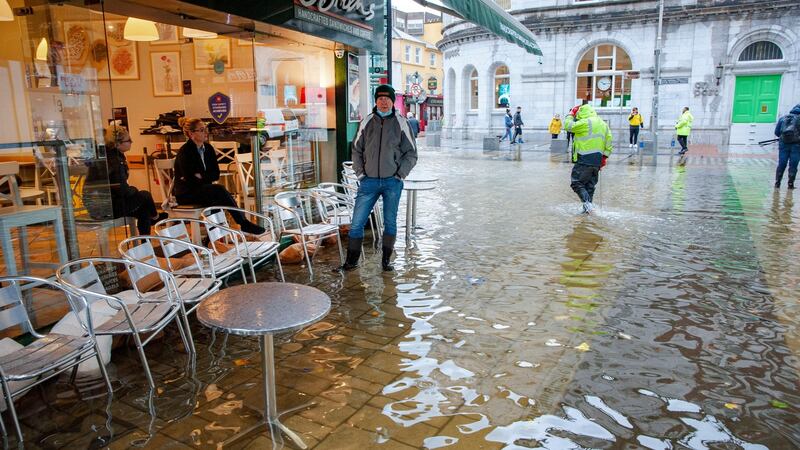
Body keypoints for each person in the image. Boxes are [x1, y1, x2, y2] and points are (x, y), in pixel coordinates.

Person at [341, 85, 418, 272]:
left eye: (387, 98)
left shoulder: (401, 123)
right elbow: (356, 150)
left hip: (392, 181)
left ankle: (386, 261)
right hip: (369, 182)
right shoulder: (366, 122)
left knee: (390, 221)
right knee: (357, 222)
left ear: (392, 101)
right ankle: (351, 262)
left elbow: (412, 154)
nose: (384, 101)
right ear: (375, 101)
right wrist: (360, 174)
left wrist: (400, 174)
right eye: (380, 98)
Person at [173, 117, 264, 235]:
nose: (205, 132)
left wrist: (201, 176)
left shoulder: (208, 149)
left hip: (203, 190)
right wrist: (202, 177)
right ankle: (241, 223)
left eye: (205, 129)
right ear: (191, 134)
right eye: (201, 130)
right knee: (218, 191)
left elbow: (215, 175)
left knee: (216, 196)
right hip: (186, 193)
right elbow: (190, 179)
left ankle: (215, 236)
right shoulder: (185, 151)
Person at [86, 124, 167, 235]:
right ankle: (155, 218)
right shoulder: (114, 160)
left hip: (99, 205)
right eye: (129, 140)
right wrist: (134, 190)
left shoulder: (109, 156)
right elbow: (122, 190)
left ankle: (145, 241)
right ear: (118, 143)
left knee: (143, 208)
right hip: (106, 208)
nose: (131, 142)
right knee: (145, 195)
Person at [565, 104, 613, 214]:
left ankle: (588, 206)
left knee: (576, 183)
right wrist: (604, 157)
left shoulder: (586, 122)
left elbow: (568, 126)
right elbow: (609, 141)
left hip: (584, 158)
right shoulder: (603, 124)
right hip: (597, 160)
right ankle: (587, 211)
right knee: (590, 186)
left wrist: (571, 114)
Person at [773, 103, 800, 189]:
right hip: (796, 145)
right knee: (793, 164)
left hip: (783, 144)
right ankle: (790, 184)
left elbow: (777, 132)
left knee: (782, 163)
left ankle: (777, 183)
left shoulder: (783, 118)